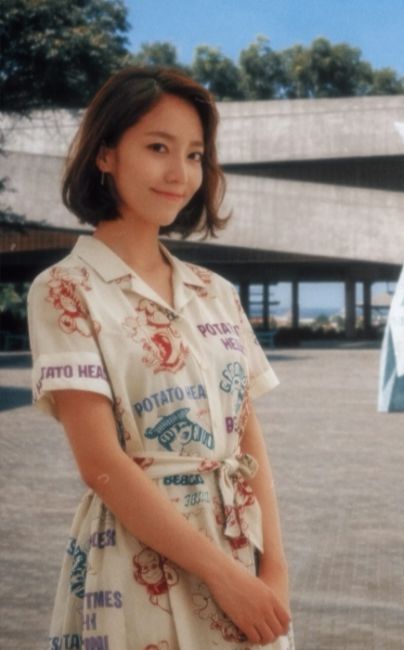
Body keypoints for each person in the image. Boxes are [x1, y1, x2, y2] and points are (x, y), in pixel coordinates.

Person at [26, 66, 294, 649]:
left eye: (195, 155)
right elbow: (100, 462)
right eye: (158, 148)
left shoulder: (216, 292)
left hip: (241, 553)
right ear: (105, 154)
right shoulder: (65, 290)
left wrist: (274, 568)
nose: (180, 174)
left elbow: (248, 440)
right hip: (135, 564)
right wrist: (223, 577)